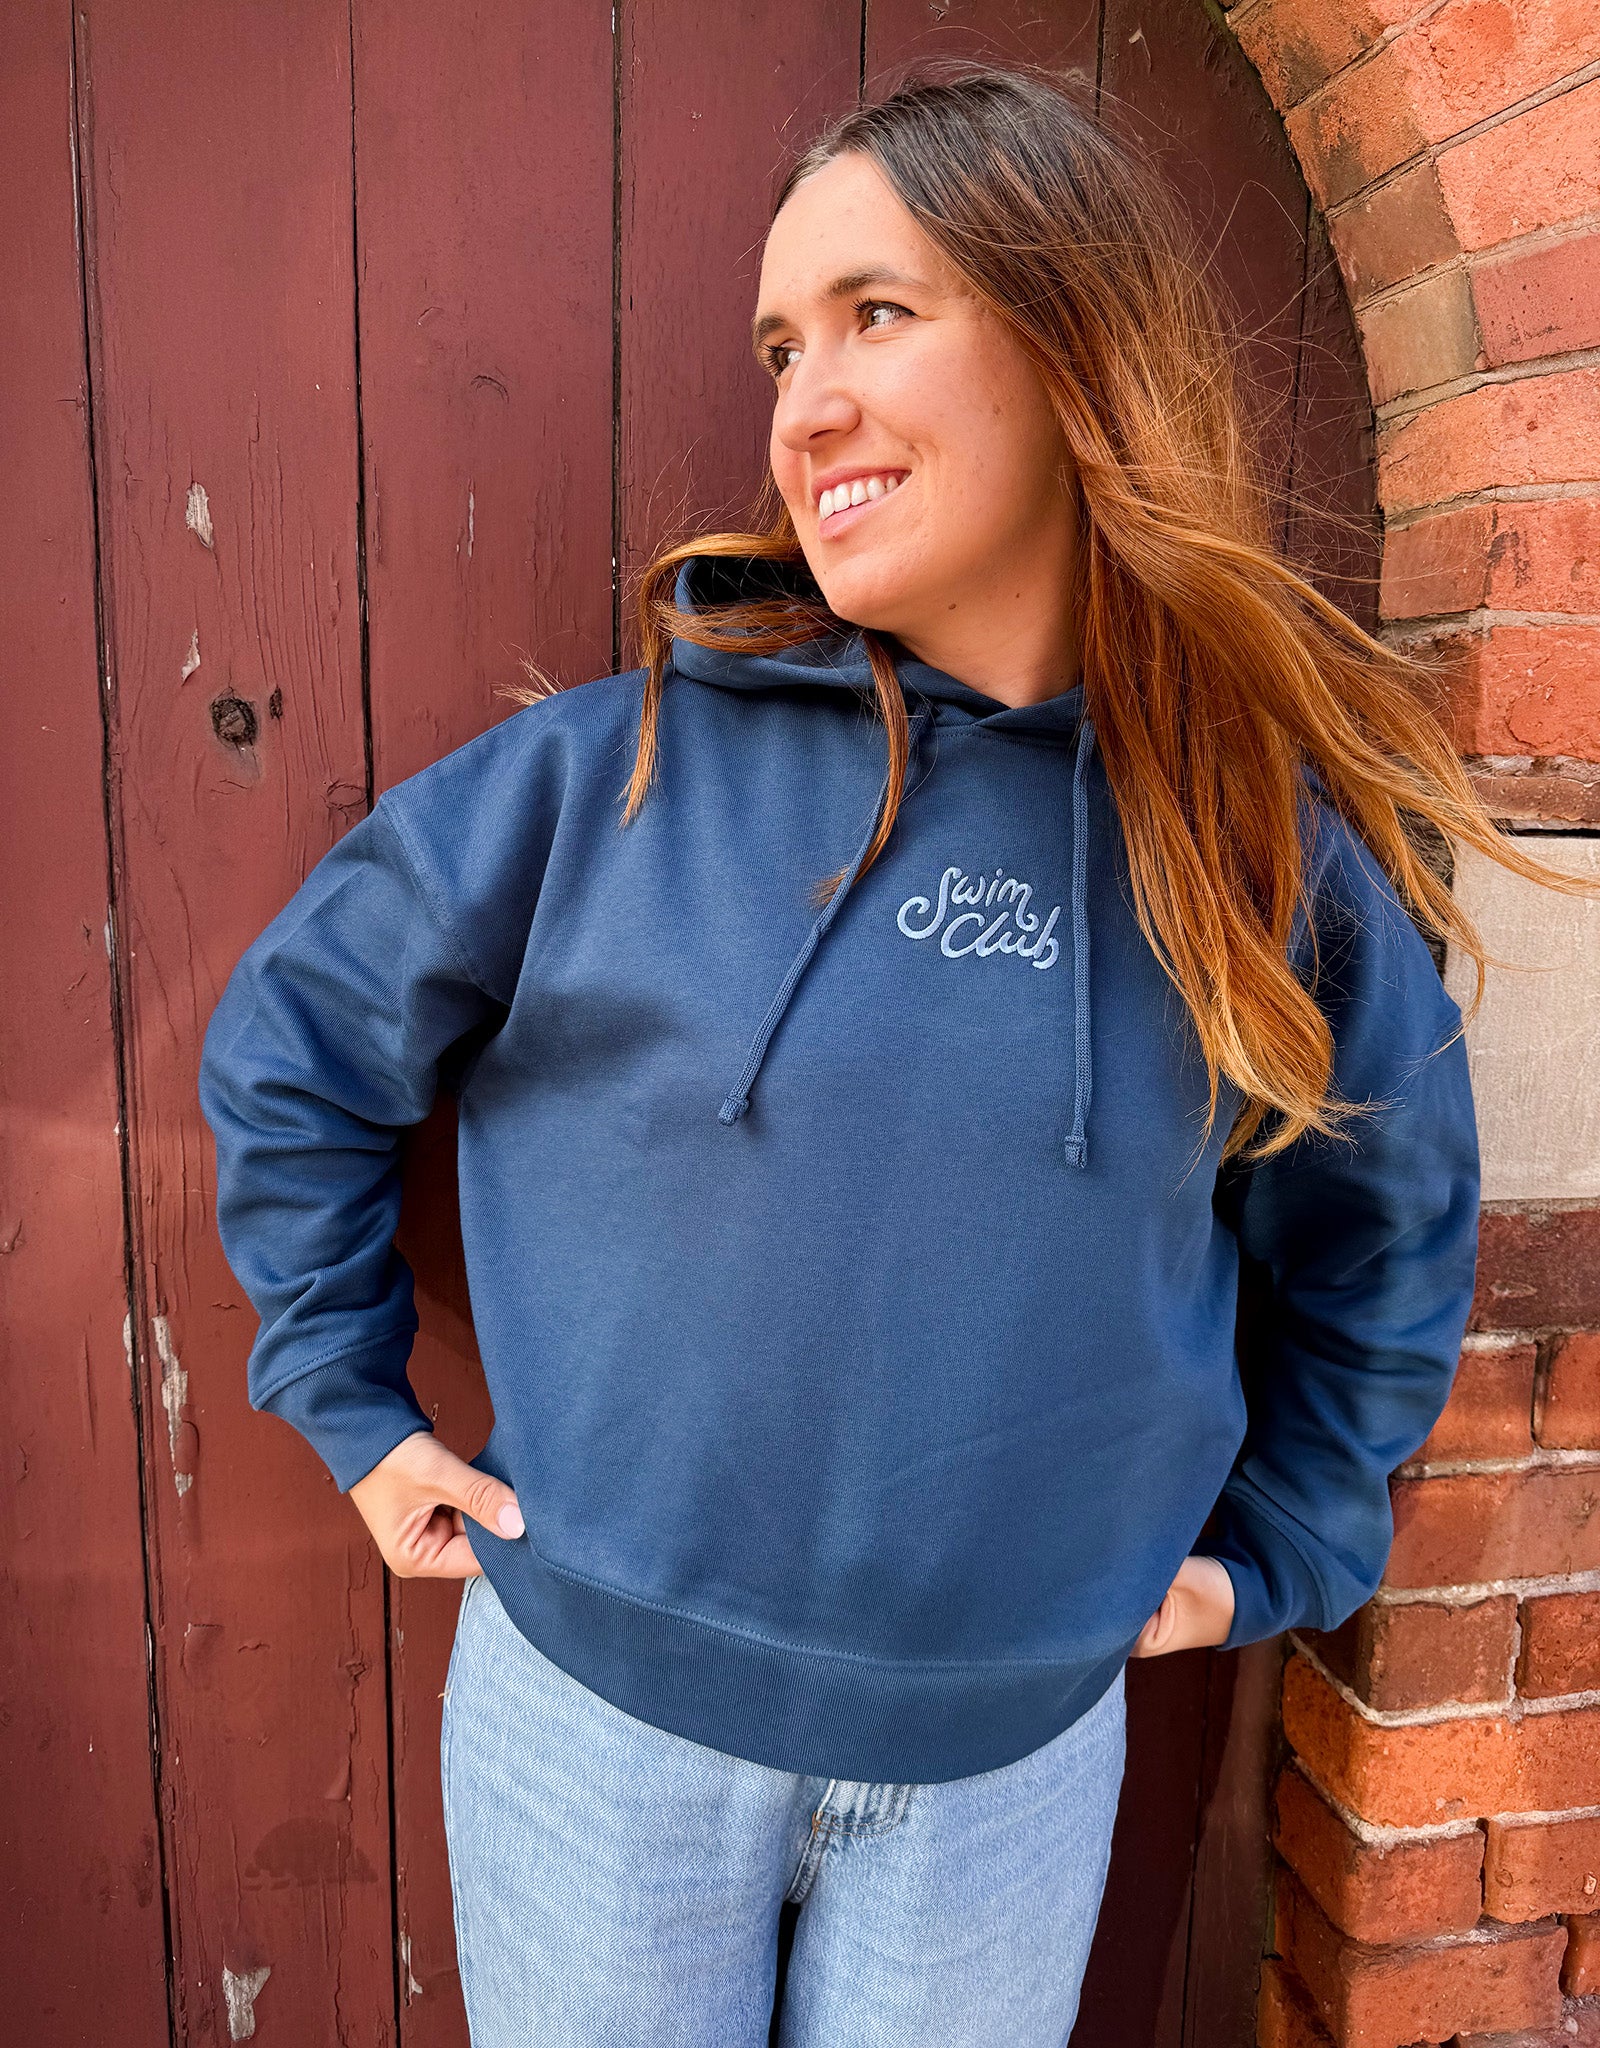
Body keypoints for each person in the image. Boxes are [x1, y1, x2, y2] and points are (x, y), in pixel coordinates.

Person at [198, 63, 1579, 2048]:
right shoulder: (611, 780)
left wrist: (1276, 1549)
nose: (804, 404)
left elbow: (1387, 1237)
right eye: (783, 346)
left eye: (874, 314)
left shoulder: (1252, 860)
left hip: (1001, 1783)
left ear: (1076, 343)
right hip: (596, 1738)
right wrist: (345, 1399)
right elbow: (297, 1044)